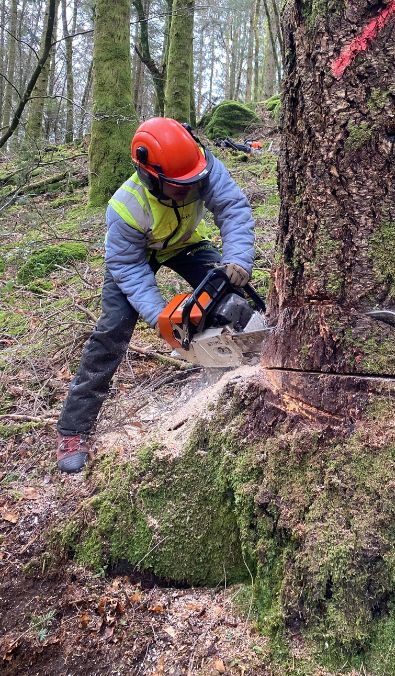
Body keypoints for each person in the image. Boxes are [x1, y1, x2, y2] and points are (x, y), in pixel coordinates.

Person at [56, 117, 255, 473]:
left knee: (231, 297)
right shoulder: (124, 208)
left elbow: (232, 207)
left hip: (183, 243)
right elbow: (130, 270)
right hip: (133, 257)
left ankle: (243, 373)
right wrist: (161, 316)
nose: (190, 190)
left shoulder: (201, 164)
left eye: (195, 183)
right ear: (151, 176)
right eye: (180, 187)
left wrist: (237, 258)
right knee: (112, 330)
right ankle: (74, 429)